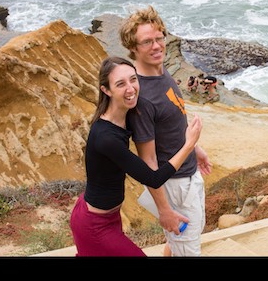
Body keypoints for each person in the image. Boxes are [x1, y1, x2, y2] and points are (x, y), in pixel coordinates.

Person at [70, 56, 202, 256]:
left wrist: (197, 150)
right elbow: (153, 178)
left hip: (108, 217)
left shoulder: (126, 116)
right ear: (106, 90)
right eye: (120, 84)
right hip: (94, 224)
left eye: (133, 79)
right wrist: (189, 144)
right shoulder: (107, 137)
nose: (131, 88)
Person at [119, 5, 212, 256]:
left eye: (159, 38)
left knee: (183, 239)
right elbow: (148, 161)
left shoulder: (163, 72)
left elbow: (173, 122)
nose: (156, 46)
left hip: (188, 173)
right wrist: (164, 211)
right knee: (188, 250)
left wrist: (196, 149)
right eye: (147, 41)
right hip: (174, 186)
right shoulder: (142, 97)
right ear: (133, 48)